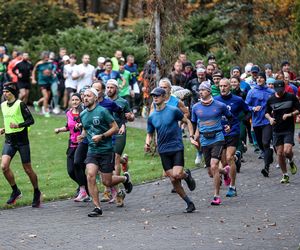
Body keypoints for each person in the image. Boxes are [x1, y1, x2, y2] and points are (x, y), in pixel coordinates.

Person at [78, 87, 133, 217]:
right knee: (90, 175)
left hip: (106, 150)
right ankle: (97, 207)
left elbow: (115, 128)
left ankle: (125, 179)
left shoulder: (103, 111)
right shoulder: (83, 114)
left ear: (95, 98)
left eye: (89, 96)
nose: (85, 98)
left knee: (107, 182)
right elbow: (87, 129)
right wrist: (82, 135)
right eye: (84, 96)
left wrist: (102, 136)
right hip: (92, 150)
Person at [145, 87, 197, 213]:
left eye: (157, 95)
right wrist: (147, 143)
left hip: (176, 147)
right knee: (173, 179)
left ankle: (186, 175)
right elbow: (150, 133)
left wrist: (191, 136)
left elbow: (188, 121)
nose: (155, 98)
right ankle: (189, 203)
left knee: (178, 174)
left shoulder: (173, 110)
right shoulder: (152, 116)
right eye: (153, 96)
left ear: (163, 97)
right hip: (163, 150)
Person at [191, 81, 233, 205]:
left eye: (203, 90)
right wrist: (193, 137)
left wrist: (228, 126)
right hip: (204, 140)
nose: (200, 92)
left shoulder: (220, 105)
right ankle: (225, 172)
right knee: (210, 171)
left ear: (209, 91)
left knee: (214, 165)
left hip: (217, 138)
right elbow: (194, 123)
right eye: (199, 90)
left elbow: (230, 117)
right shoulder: (196, 107)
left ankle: (216, 196)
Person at [0, 83, 41, 207]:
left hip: (22, 141)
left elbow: (31, 121)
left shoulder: (20, 104)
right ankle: (15, 191)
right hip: (9, 141)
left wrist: (18, 125)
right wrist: (4, 129)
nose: (5, 94)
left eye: (7, 92)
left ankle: (36, 191)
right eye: (4, 92)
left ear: (12, 92)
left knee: (28, 169)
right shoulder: (2, 105)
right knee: (4, 166)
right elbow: (8, 121)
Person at [215, 78, 250, 197]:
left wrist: (240, 122)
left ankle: (233, 187)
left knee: (229, 158)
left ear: (230, 87)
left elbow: (248, 112)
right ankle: (226, 172)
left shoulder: (238, 100)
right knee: (223, 162)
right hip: (220, 133)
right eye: (220, 86)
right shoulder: (215, 100)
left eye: (225, 86)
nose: (223, 88)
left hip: (233, 132)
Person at [54, 93, 89, 201]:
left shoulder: (84, 113)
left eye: (77, 100)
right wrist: (59, 130)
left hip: (82, 144)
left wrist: (81, 128)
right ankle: (86, 189)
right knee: (70, 170)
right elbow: (68, 126)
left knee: (78, 165)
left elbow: (88, 126)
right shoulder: (68, 113)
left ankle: (83, 191)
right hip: (72, 144)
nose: (74, 102)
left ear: (81, 101)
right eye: (73, 99)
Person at [105, 79, 135, 206]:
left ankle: (112, 190)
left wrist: (130, 117)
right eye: (107, 87)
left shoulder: (123, 102)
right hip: (107, 132)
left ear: (116, 89)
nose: (109, 89)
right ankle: (124, 161)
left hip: (120, 132)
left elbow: (131, 116)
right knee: (109, 158)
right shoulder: (103, 102)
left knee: (115, 157)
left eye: (112, 87)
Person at [265, 80, 300, 183]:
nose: (279, 92)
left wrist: (290, 115)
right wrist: (270, 119)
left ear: (284, 88)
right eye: (277, 90)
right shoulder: (271, 99)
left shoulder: (291, 97)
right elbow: (266, 112)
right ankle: (285, 175)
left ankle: (291, 160)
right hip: (276, 129)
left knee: (287, 151)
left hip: (288, 128)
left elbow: (298, 109)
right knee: (280, 153)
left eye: (281, 90)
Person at [246, 72, 275, 177]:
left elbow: (275, 104)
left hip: (267, 121)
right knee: (261, 145)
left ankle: (266, 167)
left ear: (265, 79)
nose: (259, 79)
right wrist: (253, 108)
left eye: (261, 78)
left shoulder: (271, 92)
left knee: (266, 142)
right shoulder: (252, 92)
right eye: (257, 78)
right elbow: (246, 106)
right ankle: (269, 154)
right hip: (257, 122)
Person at [32, 51, 56, 117]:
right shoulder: (39, 64)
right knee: (46, 96)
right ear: (42, 57)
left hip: (49, 81)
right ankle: (46, 111)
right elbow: (33, 71)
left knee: (47, 97)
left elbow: (52, 70)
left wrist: (53, 73)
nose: (47, 58)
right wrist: (33, 79)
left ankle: (37, 103)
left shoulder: (50, 63)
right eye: (45, 57)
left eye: (47, 57)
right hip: (42, 82)